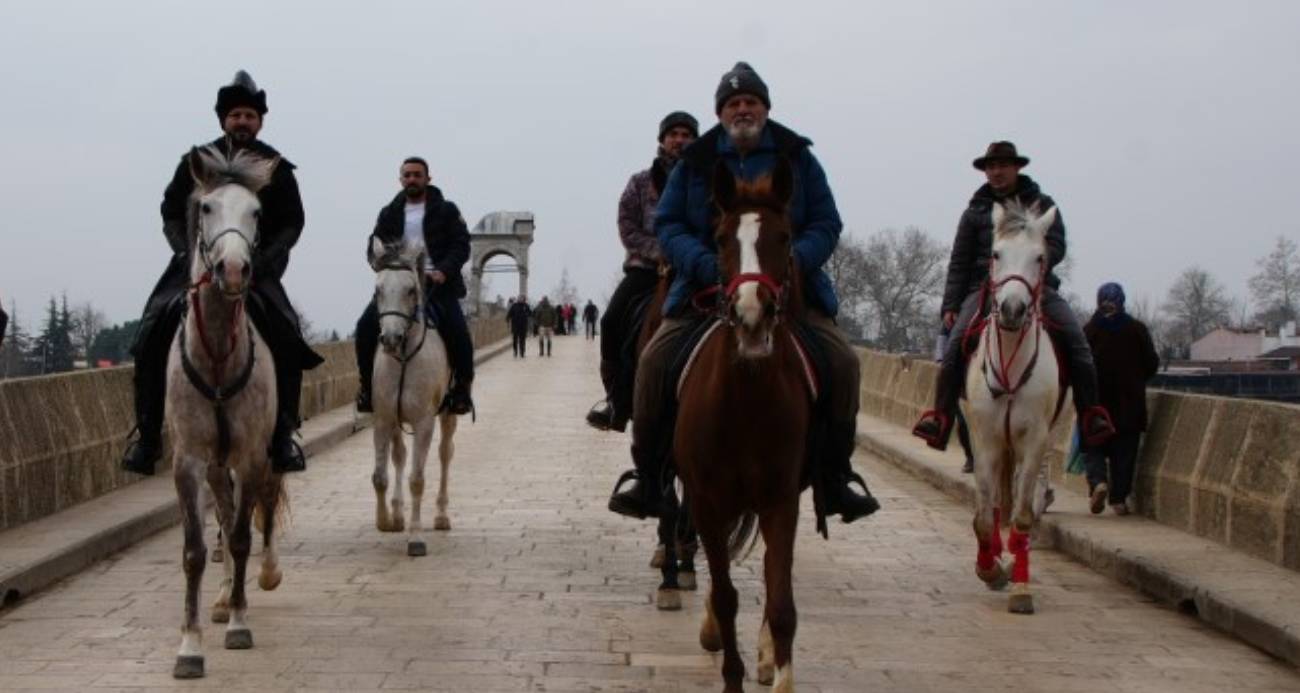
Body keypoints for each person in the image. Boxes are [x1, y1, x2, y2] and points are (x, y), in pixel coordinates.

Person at [607, 63, 879, 523]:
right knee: (653, 363)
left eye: (750, 101)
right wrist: (706, 264)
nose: (742, 109)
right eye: (733, 104)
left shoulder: (798, 157)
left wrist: (792, 262)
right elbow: (669, 224)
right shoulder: (696, 162)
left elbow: (827, 222)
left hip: (788, 292)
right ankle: (648, 476)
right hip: (705, 290)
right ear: (720, 112)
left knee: (844, 364)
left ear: (766, 107)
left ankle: (835, 476)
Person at [120, 70, 323, 476]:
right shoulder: (196, 162)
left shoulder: (276, 166)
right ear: (223, 120)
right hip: (194, 265)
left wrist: (266, 262)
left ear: (260, 121)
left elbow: (292, 222)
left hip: (254, 267)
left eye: (250, 115)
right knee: (151, 333)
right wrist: (185, 251)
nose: (243, 122)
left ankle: (283, 436)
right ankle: (146, 438)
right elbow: (171, 211)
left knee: (286, 334)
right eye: (236, 116)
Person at [911, 141, 1116, 452]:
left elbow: (1057, 245)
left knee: (1078, 343)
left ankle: (1090, 415)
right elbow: (959, 261)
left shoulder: (1041, 204)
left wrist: (1030, 263)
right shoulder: (975, 211)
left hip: (1034, 286)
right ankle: (940, 417)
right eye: (991, 167)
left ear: (1017, 168)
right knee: (953, 349)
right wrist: (951, 305)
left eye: (1002, 166)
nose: (996, 172)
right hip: (982, 289)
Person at [588, 110, 698, 432]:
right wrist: (657, 252)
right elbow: (627, 226)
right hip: (646, 271)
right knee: (610, 322)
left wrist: (685, 254)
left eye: (686, 134)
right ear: (662, 140)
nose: (679, 140)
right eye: (673, 134)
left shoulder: (704, 180)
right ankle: (616, 400)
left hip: (691, 270)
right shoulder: (639, 182)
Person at [354, 156, 474, 416]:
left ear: (428, 179)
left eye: (417, 175)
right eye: (407, 175)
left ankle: (461, 391)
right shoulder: (389, 213)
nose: (412, 179)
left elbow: (461, 244)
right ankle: (366, 389)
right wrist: (383, 267)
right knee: (364, 327)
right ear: (400, 179)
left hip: (437, 287)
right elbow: (373, 246)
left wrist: (443, 270)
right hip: (400, 288)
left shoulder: (447, 210)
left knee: (460, 334)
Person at [1083, 282, 1159, 515]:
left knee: (1093, 447)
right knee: (1124, 454)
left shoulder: (1089, 330)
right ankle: (1118, 499)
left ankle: (1098, 483)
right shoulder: (1137, 329)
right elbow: (1151, 364)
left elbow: (1080, 364)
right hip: (1130, 404)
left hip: (1097, 404)